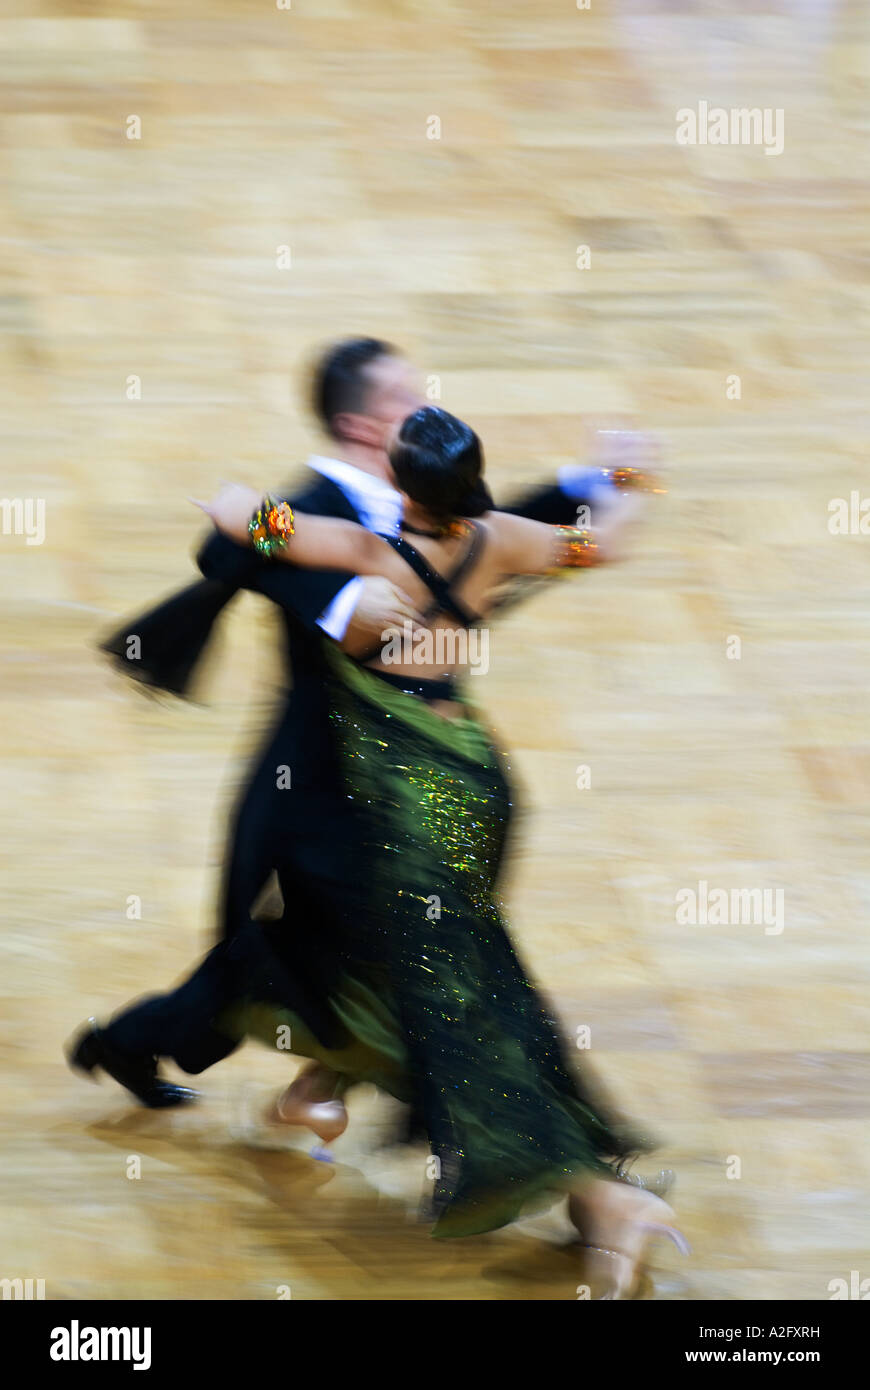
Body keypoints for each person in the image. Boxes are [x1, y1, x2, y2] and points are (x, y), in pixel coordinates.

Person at [69, 339, 658, 1113]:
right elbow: (232, 537)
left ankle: (312, 1079)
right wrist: (339, 608)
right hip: (328, 782)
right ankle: (373, 1090)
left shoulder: (405, 539)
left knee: (362, 946)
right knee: (343, 951)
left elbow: (255, 518)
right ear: (358, 426)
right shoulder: (362, 524)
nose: (423, 407)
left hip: (431, 774)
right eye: (401, 400)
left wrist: (597, 477)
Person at [190, 406, 686, 1297]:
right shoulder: (503, 541)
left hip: (404, 802)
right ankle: (317, 1090)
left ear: (403, 481)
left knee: (461, 993)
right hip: (476, 780)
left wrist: (231, 499)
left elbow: (244, 517)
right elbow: (601, 547)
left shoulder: (368, 551)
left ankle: (605, 1201)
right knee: (405, 959)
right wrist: (631, 474)